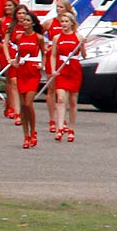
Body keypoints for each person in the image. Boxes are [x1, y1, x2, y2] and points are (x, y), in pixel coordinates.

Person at [7, 8, 44, 148]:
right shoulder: (19, 37)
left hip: (33, 72)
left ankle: (33, 131)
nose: (25, 22)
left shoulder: (38, 38)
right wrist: (15, 62)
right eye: (24, 20)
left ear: (33, 23)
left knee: (28, 103)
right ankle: (26, 134)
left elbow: (44, 53)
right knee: (22, 105)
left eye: (28, 20)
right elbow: (19, 53)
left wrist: (42, 65)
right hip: (22, 71)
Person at [47, 14, 83, 143]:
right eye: (62, 21)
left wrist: (82, 45)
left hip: (74, 70)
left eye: (66, 21)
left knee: (73, 101)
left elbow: (83, 54)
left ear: (71, 23)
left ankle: (71, 128)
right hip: (62, 70)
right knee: (61, 98)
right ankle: (60, 127)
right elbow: (53, 55)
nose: (63, 24)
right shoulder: (57, 38)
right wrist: (53, 70)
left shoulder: (78, 37)